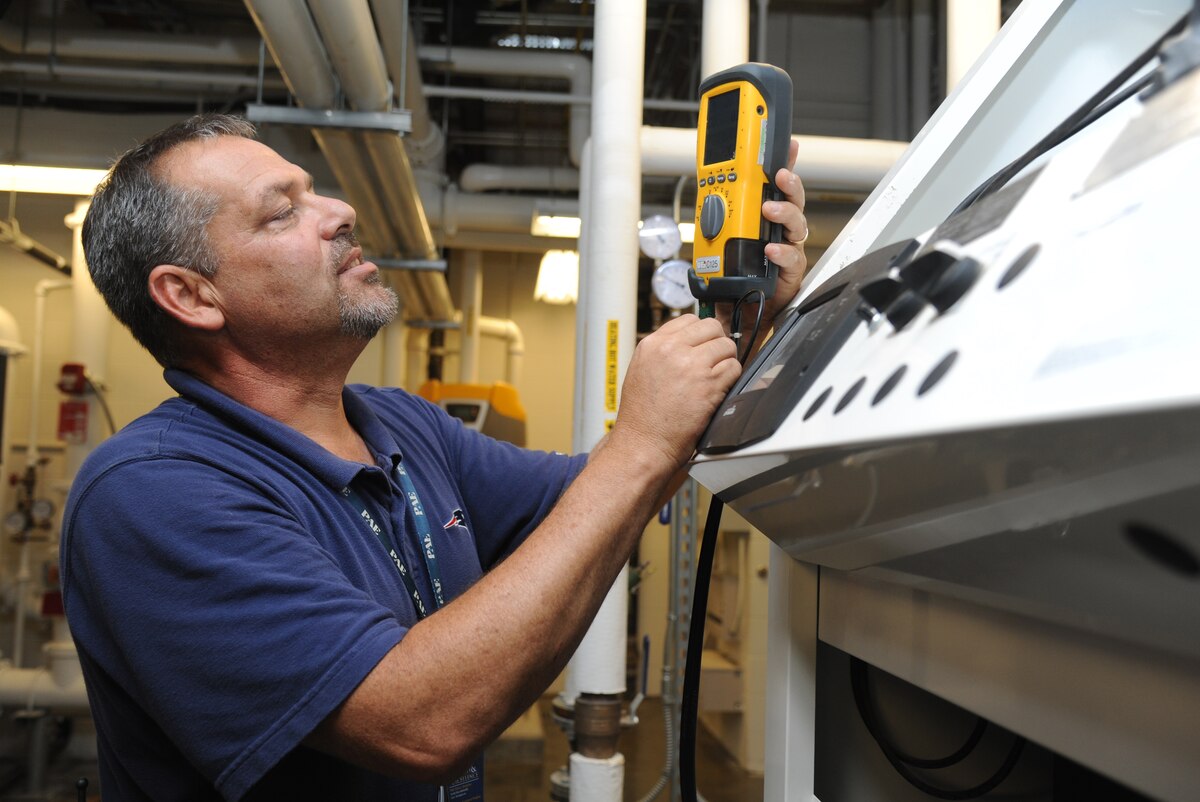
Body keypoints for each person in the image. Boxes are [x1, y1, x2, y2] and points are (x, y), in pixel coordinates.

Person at [61, 113, 809, 801]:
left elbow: (599, 498)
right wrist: (640, 445)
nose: (340, 211)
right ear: (191, 296)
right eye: (281, 212)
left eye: (314, 191)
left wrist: (741, 322)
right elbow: (421, 726)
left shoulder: (398, 423)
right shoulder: (153, 492)